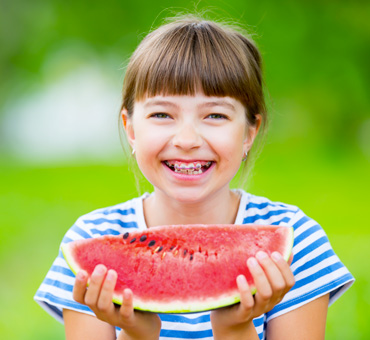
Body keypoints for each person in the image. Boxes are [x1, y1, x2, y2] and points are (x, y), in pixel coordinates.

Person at [34, 14, 354, 340]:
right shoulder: (90, 241)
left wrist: (235, 329)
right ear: (131, 129)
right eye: (162, 114)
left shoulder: (296, 241)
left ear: (249, 132)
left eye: (215, 115)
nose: (187, 139)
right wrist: (137, 334)